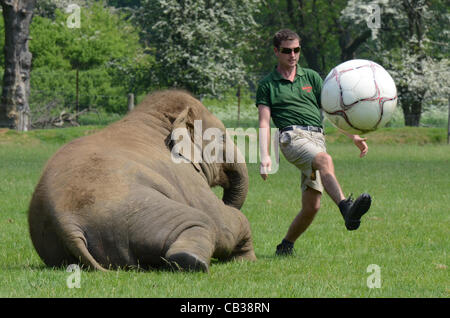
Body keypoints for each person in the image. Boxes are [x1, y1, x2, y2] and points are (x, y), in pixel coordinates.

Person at [256, 29, 372, 256]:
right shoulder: (267, 84)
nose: (293, 55)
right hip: (292, 138)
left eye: (297, 50)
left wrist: (353, 135)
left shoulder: (311, 77)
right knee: (324, 160)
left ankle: (285, 246)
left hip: (317, 138)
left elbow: (332, 111)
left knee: (312, 207)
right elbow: (264, 122)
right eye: (287, 51)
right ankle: (346, 208)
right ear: (276, 51)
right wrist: (265, 156)